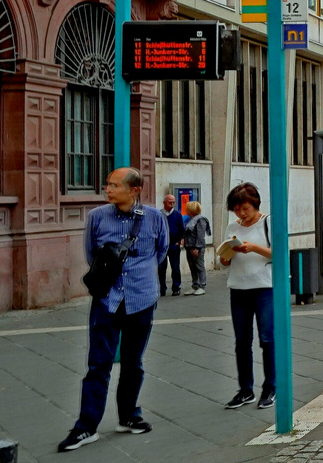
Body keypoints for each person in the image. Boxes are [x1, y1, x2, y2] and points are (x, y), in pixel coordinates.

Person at [58, 168, 169, 452]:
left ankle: (129, 416)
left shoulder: (155, 218)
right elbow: (92, 256)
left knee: (134, 363)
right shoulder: (97, 217)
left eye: (114, 185)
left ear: (134, 190)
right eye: (107, 184)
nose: (108, 189)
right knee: (98, 364)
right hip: (107, 300)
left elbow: (160, 252)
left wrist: (140, 277)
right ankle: (86, 426)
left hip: (141, 299)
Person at [218, 183, 276, 410]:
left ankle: (271, 387)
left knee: (267, 338)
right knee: (241, 341)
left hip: (264, 287)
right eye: (237, 209)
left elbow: (280, 252)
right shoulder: (233, 225)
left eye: (245, 208)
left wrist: (253, 248)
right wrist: (226, 255)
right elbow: (224, 259)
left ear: (255, 204)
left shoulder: (268, 222)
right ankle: (245, 390)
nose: (241, 214)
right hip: (238, 288)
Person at [158, 194, 184, 297]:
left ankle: (176, 288)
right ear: (164, 202)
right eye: (170, 202)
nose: (172, 204)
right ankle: (162, 288)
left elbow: (181, 229)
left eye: (173, 202)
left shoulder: (177, 215)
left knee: (175, 267)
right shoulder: (159, 214)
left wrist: (179, 240)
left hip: (174, 244)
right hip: (162, 245)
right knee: (161, 268)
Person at [183, 201, 211, 296]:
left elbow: (200, 236)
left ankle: (202, 286)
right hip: (189, 247)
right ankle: (195, 285)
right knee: (192, 267)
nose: (186, 210)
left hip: (196, 247)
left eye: (187, 208)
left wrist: (197, 248)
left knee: (199, 267)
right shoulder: (190, 219)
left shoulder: (200, 220)